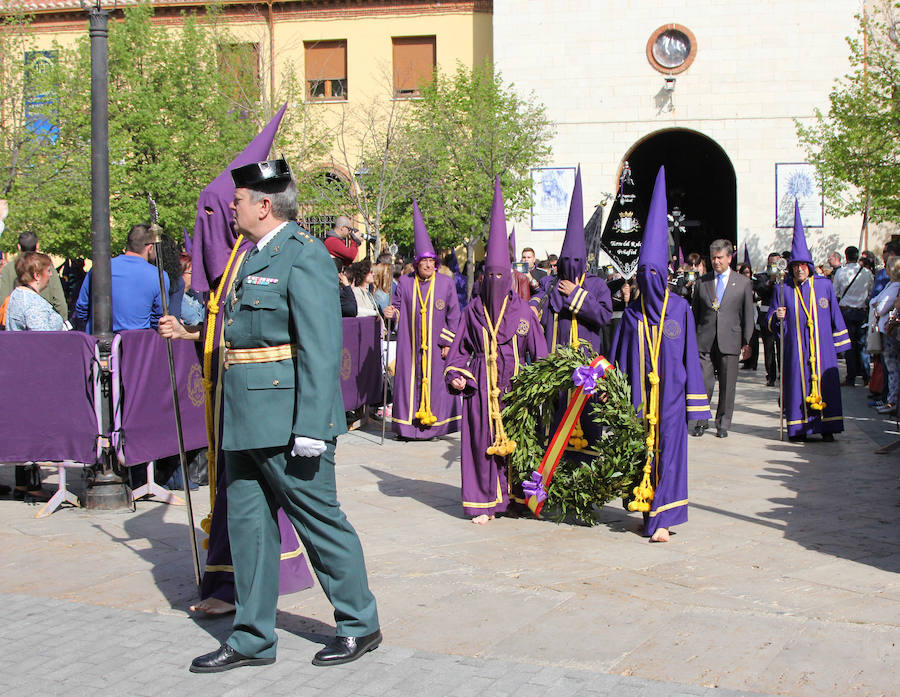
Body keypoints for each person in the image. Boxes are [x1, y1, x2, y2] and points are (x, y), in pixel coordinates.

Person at [190, 158, 380, 674]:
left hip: (289, 420)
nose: (233, 208)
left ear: (264, 205)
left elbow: (320, 348)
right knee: (249, 528)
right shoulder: (251, 257)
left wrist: (313, 428)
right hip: (245, 418)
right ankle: (252, 635)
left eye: (239, 201)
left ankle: (359, 623)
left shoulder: (303, 255)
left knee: (319, 521)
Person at [611, 167, 711, 542]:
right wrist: (609, 392)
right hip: (639, 403)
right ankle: (644, 509)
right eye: (641, 274)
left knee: (669, 457)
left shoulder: (680, 310)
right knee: (640, 457)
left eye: (653, 273)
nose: (646, 281)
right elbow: (619, 360)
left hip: (670, 401)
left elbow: (692, 360)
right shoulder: (632, 315)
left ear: (663, 274)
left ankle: (664, 519)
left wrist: (697, 407)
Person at [444, 179, 548, 524]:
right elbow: (458, 350)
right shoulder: (473, 310)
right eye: (491, 276)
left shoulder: (522, 312)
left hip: (514, 391)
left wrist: (546, 382)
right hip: (481, 392)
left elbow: (540, 353)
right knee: (478, 447)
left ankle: (516, 497)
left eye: (502, 276)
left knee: (521, 445)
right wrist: (458, 375)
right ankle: (483, 502)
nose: (496, 281)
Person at [768, 203, 850, 442]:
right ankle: (799, 428)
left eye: (803, 266)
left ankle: (828, 428)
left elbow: (835, 313)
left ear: (810, 267)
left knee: (826, 383)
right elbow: (771, 317)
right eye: (795, 266)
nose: (799, 270)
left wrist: (841, 344)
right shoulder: (782, 289)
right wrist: (777, 317)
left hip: (821, 347)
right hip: (796, 347)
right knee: (797, 383)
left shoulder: (824, 286)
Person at [383, 201, 461, 440]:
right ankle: (407, 429)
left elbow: (454, 315)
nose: (428, 265)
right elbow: (397, 308)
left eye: (432, 261)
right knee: (408, 383)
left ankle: (433, 429)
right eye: (424, 261)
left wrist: (448, 342)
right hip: (410, 346)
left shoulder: (446, 283)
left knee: (436, 385)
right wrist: (391, 314)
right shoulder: (405, 283)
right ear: (417, 262)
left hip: (436, 347)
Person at [6, 251, 68, 502]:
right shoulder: (29, 301)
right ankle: (31, 484)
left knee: (26, 423)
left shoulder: (19, 297)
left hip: (26, 370)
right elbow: (42, 336)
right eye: (48, 271)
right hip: (36, 373)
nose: (50, 275)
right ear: (35, 275)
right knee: (34, 425)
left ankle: (24, 482)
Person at [530, 167, 613, 355]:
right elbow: (538, 298)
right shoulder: (550, 283)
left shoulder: (597, 285)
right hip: (555, 360)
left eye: (576, 260)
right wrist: (533, 307)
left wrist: (576, 294)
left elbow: (604, 316)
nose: (571, 264)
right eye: (566, 259)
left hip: (587, 364)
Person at [691, 238, 754, 438]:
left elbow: (747, 315)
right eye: (713, 258)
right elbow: (695, 314)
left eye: (720, 258)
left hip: (730, 340)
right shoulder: (702, 282)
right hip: (705, 340)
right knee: (703, 383)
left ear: (729, 258)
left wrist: (747, 341)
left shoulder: (743, 283)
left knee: (727, 385)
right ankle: (701, 420)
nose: (716, 262)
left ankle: (723, 423)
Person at [72, 223, 169, 332]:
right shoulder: (159, 276)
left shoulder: (99, 268)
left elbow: (82, 308)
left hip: (96, 342)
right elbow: (159, 317)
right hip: (137, 343)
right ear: (150, 248)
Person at [0, 230, 67, 320]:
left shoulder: (8, 269)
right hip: (44, 322)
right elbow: (59, 301)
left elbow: (3, 300)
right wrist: (63, 322)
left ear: (19, 247)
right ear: (37, 246)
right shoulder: (46, 267)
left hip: (15, 324)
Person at [831, 245, 874, 386]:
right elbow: (871, 291)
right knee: (862, 344)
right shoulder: (866, 273)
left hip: (846, 311)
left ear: (846, 256)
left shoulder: (841, 273)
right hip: (861, 311)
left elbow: (835, 292)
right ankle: (867, 376)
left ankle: (851, 377)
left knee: (848, 344)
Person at [869, 258, 900, 415]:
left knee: (893, 369)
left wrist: (876, 305)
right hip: (886, 330)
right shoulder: (891, 285)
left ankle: (892, 400)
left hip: (892, 332)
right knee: (889, 368)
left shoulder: (895, 286)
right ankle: (890, 399)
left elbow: (880, 307)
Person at [753, 252, 784, 386]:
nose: (774, 266)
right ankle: (770, 375)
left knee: (782, 348)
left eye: (776, 263)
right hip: (767, 316)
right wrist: (770, 281)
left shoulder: (785, 277)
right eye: (772, 264)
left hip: (782, 317)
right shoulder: (761, 277)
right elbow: (760, 290)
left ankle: (783, 375)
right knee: (769, 348)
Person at [738, 263, 760, 370]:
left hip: (752, 310)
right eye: (744, 272)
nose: (746, 274)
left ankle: (753, 362)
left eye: (748, 272)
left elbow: (759, 294)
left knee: (753, 337)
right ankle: (746, 361)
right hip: (741, 311)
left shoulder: (754, 283)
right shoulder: (738, 283)